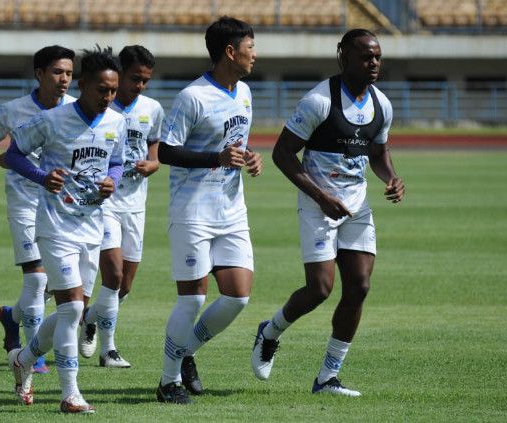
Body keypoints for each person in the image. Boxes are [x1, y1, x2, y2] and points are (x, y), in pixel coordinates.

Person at [250, 29, 405, 397]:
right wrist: (321, 196)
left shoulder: (382, 104)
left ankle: (327, 378)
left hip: (357, 207)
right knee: (320, 288)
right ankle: (269, 332)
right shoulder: (319, 101)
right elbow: (282, 154)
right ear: (344, 56)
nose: (374, 64)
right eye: (366, 57)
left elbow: (378, 154)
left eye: (377, 57)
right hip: (317, 204)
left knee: (360, 287)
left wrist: (392, 177)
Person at [3, 46, 126, 413]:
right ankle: (70, 394)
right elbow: (13, 153)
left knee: (73, 309)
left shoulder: (115, 122)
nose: (107, 98)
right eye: (101, 90)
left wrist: (112, 181)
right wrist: (43, 177)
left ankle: (23, 358)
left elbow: (117, 161)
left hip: (92, 228)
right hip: (55, 227)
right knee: (73, 308)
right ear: (84, 84)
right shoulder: (53, 120)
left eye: (113, 91)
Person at [155, 16, 262, 404]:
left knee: (237, 296)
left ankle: (187, 353)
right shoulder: (192, 97)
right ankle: (168, 382)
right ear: (230, 52)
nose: (255, 54)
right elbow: (166, 150)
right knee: (193, 298)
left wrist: (248, 157)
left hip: (231, 208)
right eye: (251, 47)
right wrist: (215, 158)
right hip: (192, 210)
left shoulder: (245, 92)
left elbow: (232, 143)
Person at [0, 45, 76, 375]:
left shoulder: (77, 110)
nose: (65, 79)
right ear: (40, 74)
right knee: (36, 279)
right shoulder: (12, 111)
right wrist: (11, 162)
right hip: (25, 203)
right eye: (58, 72)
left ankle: (12, 316)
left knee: (56, 283)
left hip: (64, 208)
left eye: (70, 73)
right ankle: (34, 354)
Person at [78, 45, 164, 368]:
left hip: (137, 204)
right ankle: (108, 349)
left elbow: (155, 151)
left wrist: (152, 165)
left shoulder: (153, 109)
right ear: (120, 73)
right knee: (112, 274)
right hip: (105, 204)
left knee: (124, 285)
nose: (139, 86)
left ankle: (89, 318)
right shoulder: (102, 109)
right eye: (134, 78)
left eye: (145, 80)